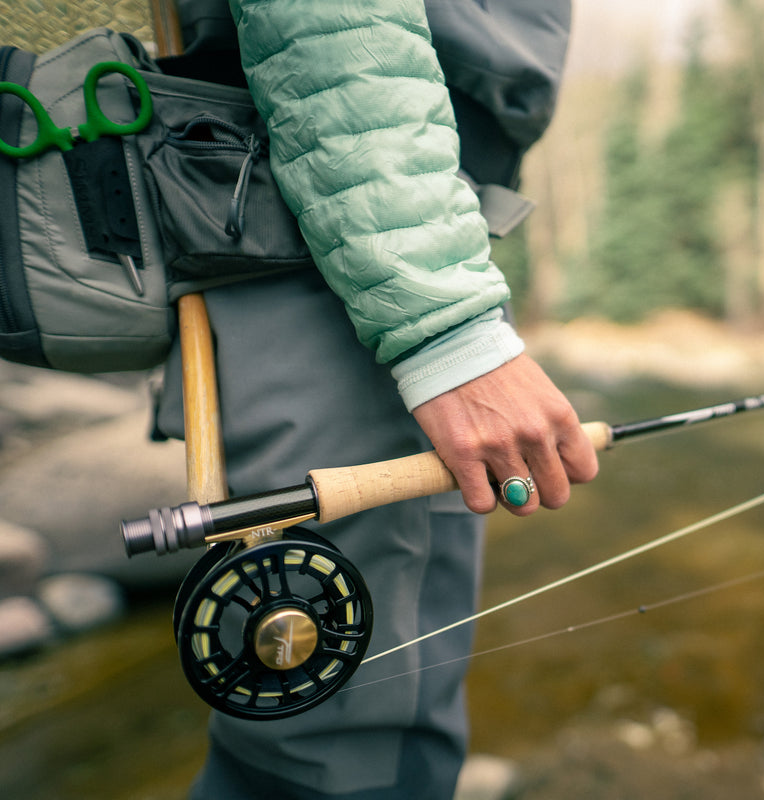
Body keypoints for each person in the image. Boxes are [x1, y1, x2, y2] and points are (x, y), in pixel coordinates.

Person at [151, 1, 596, 798]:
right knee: (345, 753)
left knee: (313, 743)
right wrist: (447, 330)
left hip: (371, 218)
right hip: (349, 246)